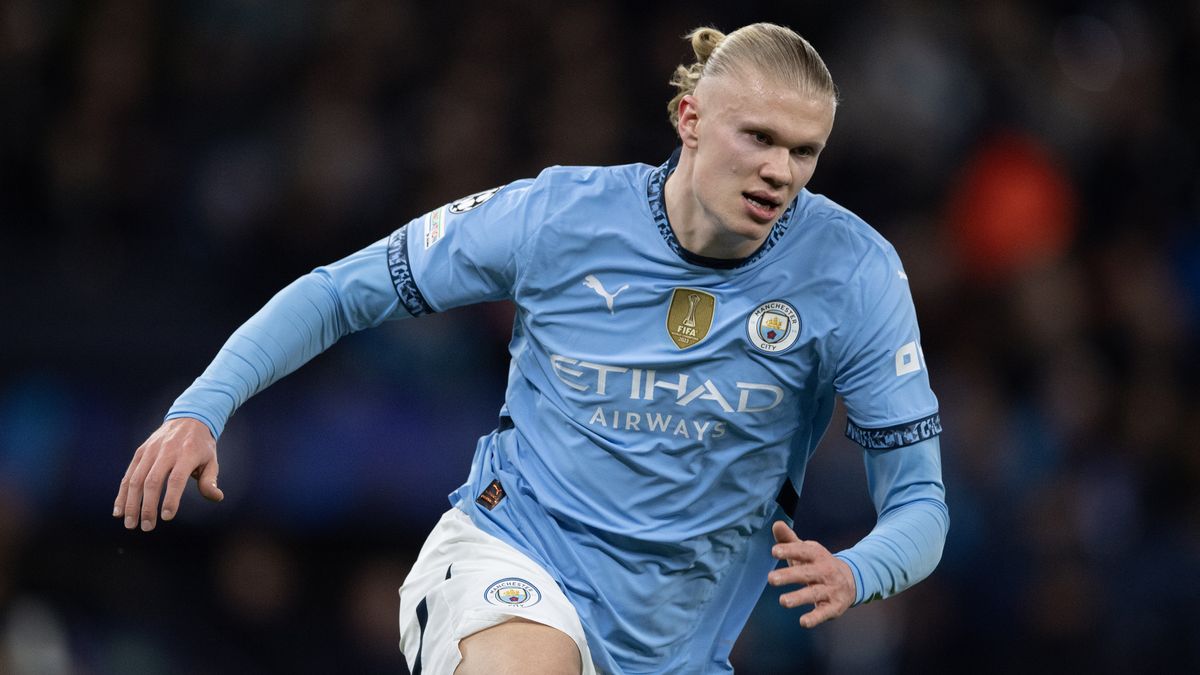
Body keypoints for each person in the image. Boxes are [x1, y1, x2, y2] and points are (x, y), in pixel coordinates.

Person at [114, 22, 948, 674]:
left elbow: (921, 506)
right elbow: (342, 291)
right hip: (514, 555)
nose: (781, 170)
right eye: (758, 138)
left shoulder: (854, 272)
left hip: (676, 646)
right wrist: (202, 406)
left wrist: (857, 570)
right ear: (690, 119)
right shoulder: (560, 217)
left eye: (804, 151)